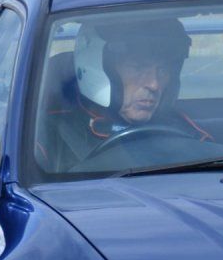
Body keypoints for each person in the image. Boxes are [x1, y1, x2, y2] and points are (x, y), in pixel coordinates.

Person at [40, 15, 209, 171]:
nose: (154, 84)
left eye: (163, 71)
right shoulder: (46, 137)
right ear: (96, 67)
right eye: (138, 68)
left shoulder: (187, 133)